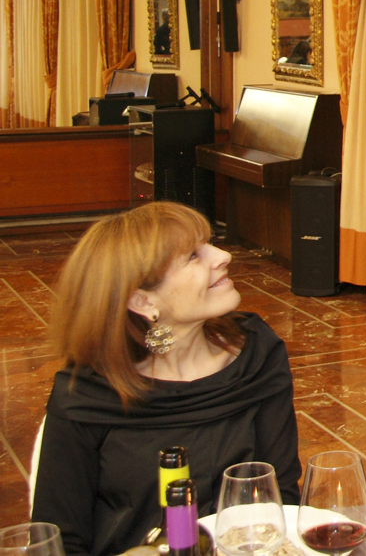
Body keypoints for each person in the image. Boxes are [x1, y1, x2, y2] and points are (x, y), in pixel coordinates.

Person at [30, 202, 301, 556]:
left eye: (210, 243)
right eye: (193, 256)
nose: (223, 256)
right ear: (143, 301)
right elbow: (57, 543)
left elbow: (281, 499)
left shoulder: (257, 356)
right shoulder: (88, 396)